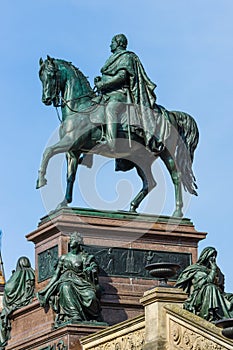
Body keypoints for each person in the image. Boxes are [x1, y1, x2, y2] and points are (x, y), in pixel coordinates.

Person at [94, 34, 165, 152]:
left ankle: (110, 142)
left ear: (118, 43)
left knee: (111, 109)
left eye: (112, 42)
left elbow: (122, 76)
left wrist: (103, 84)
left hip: (120, 94)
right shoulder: (112, 58)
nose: (110, 44)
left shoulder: (126, 57)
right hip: (107, 94)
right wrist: (101, 80)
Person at [37, 232, 102, 327]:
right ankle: (74, 315)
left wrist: (92, 269)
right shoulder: (64, 258)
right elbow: (56, 275)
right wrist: (45, 290)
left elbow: (94, 266)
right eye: (70, 239)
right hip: (66, 281)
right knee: (65, 287)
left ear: (78, 242)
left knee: (91, 297)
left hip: (82, 282)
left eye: (73, 239)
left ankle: (91, 315)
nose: (70, 241)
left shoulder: (85, 257)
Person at [175, 247, 233, 322]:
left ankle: (228, 319)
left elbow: (221, 285)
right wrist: (213, 270)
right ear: (206, 256)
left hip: (217, 293)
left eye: (215, 256)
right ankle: (210, 316)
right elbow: (206, 282)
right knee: (210, 288)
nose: (213, 258)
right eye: (211, 256)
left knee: (231, 297)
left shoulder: (215, 269)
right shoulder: (197, 269)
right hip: (201, 295)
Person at [0, 257, 35, 349]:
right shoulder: (34, 273)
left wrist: (13, 278)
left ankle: (3, 343)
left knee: (3, 317)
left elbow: (8, 288)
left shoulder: (17, 274)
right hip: (30, 300)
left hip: (17, 304)